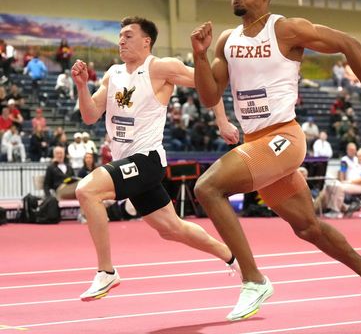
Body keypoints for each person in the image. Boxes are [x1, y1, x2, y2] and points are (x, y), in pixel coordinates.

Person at [190, 0, 361, 321]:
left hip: (284, 137)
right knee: (307, 227)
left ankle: (253, 280)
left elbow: (350, 44)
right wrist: (200, 55)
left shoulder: (286, 29)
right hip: (255, 143)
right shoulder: (227, 40)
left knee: (207, 188)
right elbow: (209, 97)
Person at [71, 16, 240, 302]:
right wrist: (81, 86)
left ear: (146, 41)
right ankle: (232, 257)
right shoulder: (113, 74)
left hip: (147, 160)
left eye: (128, 35)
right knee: (173, 229)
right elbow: (89, 116)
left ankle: (106, 272)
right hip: (128, 164)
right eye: (120, 36)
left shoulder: (162, 67)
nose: (121, 41)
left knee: (86, 190)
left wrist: (222, 122)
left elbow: (208, 83)